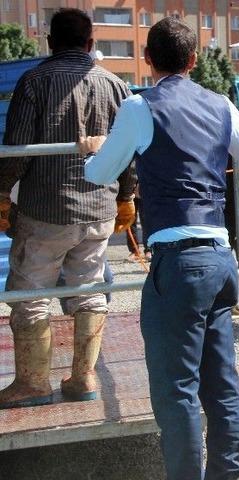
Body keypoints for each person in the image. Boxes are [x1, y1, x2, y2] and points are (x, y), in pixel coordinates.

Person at [78, 17, 239, 479]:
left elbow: (100, 174)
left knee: (175, 390)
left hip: (177, 260)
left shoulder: (140, 107)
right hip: (221, 257)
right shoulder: (221, 103)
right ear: (194, 59)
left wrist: (93, 146)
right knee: (222, 385)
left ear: (147, 60)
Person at [0, 8, 136, 409]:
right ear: (91, 44)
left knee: (30, 294)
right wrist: (127, 196)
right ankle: (84, 377)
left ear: (50, 42)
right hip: (99, 209)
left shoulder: (35, 82)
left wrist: (2, 195)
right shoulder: (116, 85)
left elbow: (17, 152)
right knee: (90, 289)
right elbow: (128, 151)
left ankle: (33, 384)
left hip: (47, 210)